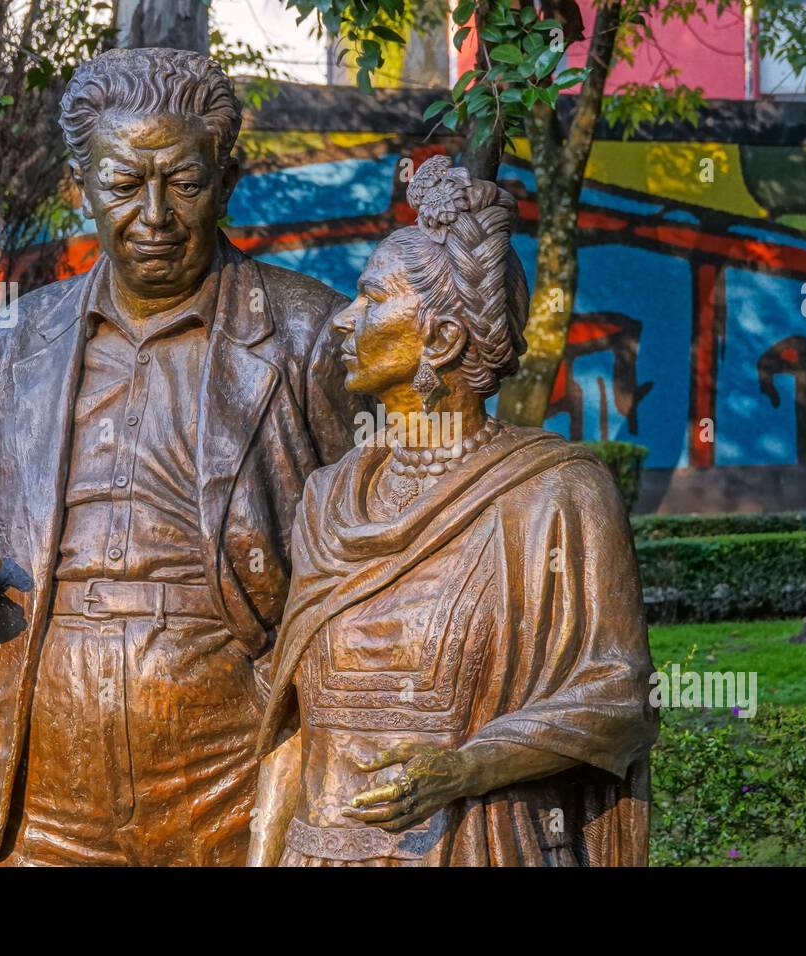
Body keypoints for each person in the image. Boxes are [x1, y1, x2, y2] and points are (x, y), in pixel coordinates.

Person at [0, 48, 359, 865]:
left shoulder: (310, 335)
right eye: (124, 185)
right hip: (41, 755)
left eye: (184, 184)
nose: (154, 214)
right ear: (80, 187)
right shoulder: (16, 340)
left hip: (230, 751)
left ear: (225, 183)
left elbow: (377, 529)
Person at [249, 156, 658, 866]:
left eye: (371, 299)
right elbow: (293, 725)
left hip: (478, 847)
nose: (344, 321)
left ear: (439, 340)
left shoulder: (555, 494)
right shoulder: (326, 500)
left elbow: (620, 697)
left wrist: (469, 767)